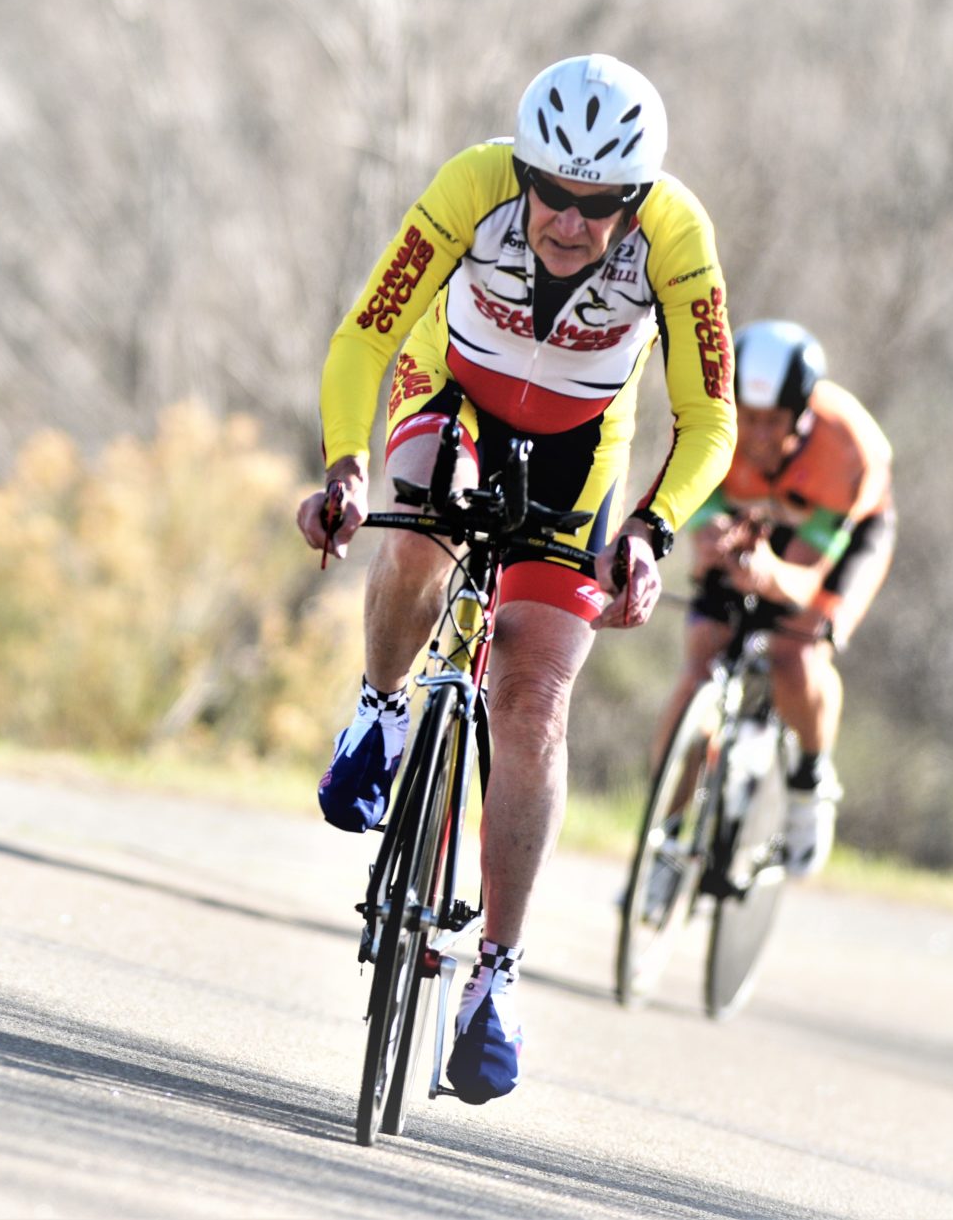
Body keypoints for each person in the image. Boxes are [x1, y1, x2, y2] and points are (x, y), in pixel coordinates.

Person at [295, 54, 736, 1105]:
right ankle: (380, 711)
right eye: (553, 193)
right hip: (452, 400)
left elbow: (709, 416)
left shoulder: (676, 237)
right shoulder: (472, 185)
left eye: (598, 207)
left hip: (582, 449)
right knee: (414, 538)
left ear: (635, 201)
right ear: (524, 171)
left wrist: (654, 529)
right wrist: (345, 464)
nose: (569, 222)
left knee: (536, 700)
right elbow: (369, 329)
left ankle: (494, 973)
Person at [655, 319, 895, 879]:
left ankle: (810, 780)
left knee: (798, 651)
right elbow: (695, 496)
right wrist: (712, 535)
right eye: (749, 418)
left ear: (803, 415)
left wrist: (766, 576)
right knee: (700, 658)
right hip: (757, 517)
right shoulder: (713, 419)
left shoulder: (846, 452)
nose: (757, 436)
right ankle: (664, 835)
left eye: (774, 423)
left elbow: (807, 580)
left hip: (841, 533)